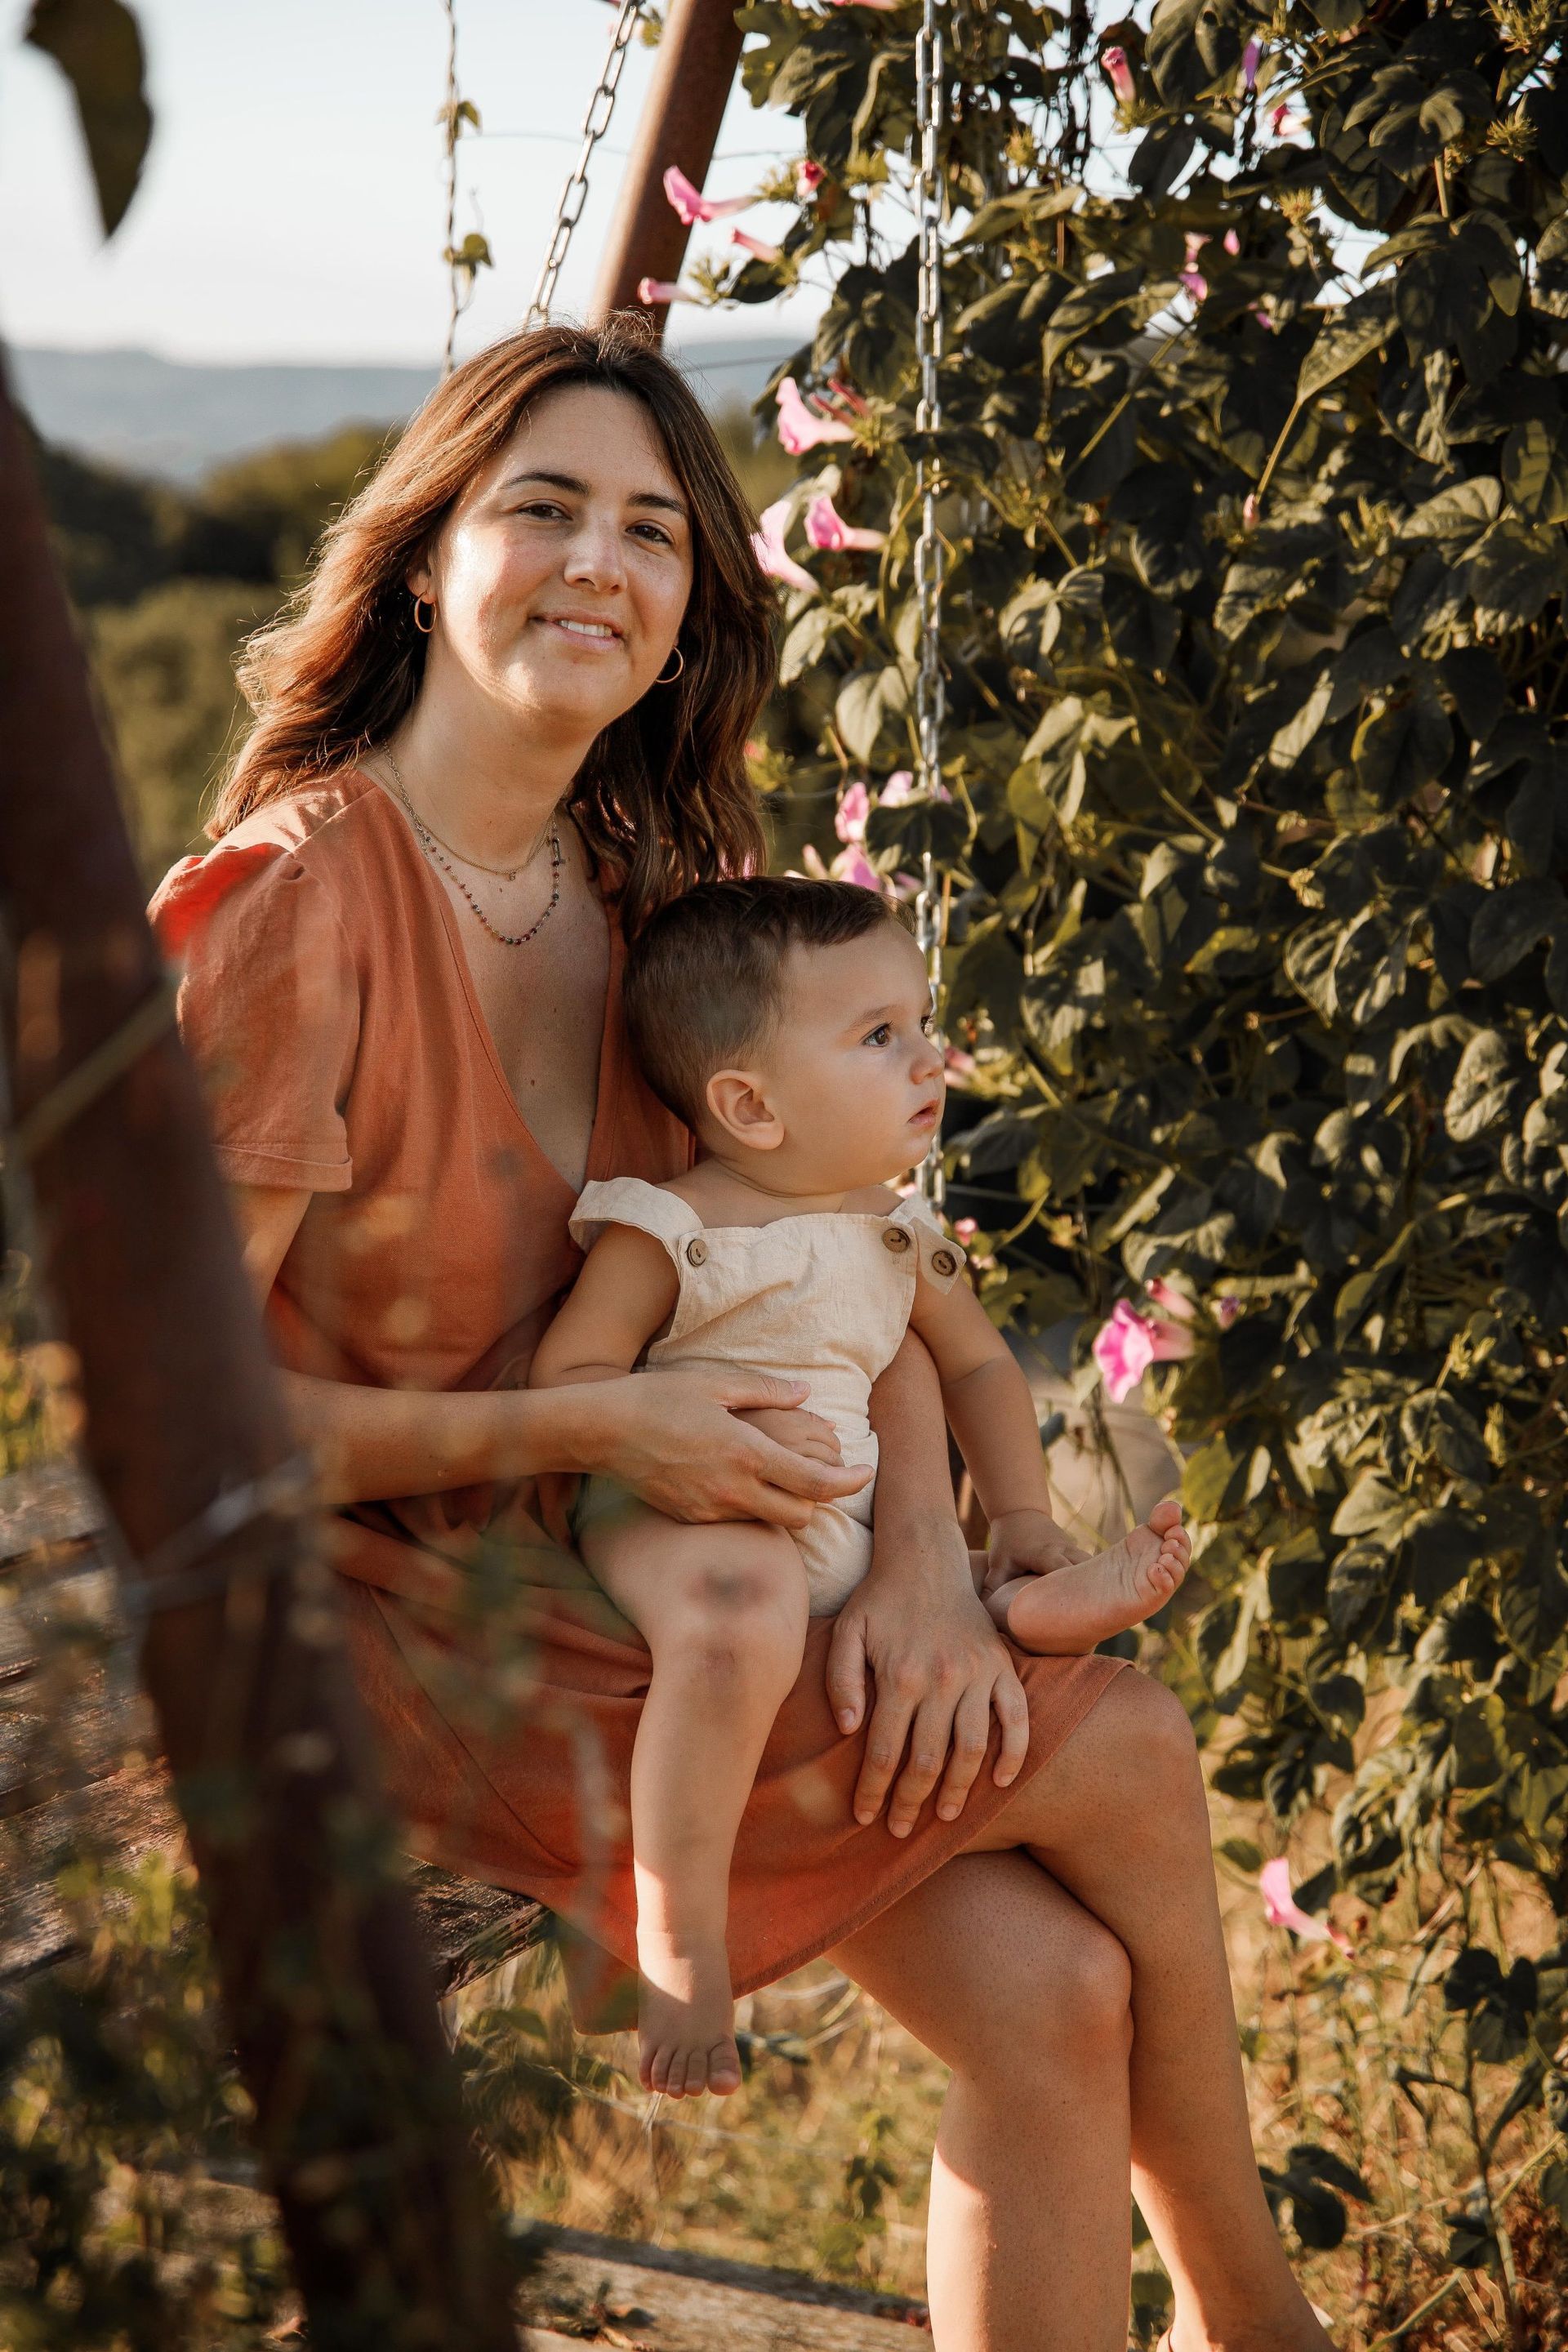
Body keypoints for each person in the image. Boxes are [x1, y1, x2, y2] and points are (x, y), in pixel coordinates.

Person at [151, 319, 1332, 2352]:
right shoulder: (299, 906)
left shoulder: (660, 892)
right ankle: (1259, 2324)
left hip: (676, 1574)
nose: (598, 565)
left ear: (697, 592)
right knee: (1127, 1742)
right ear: (429, 552)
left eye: (650, 530)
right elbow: (181, 1427)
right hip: (410, 1616)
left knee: (1058, 2003)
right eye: (541, 511)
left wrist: (938, 1567)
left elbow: (834, 1255)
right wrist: (618, 1415)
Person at [532, 873, 1191, 2098]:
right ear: (750, 1105)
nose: (929, 1059)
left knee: (981, 1623)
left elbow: (985, 1366)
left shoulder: (899, 1230)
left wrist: (1022, 1512)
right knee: (739, 1609)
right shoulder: (671, 1227)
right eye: (880, 1037)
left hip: (846, 1535)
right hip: (683, 1517)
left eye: (923, 1023)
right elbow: (571, 1379)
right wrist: (646, 1430)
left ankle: (1044, 1588)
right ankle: (678, 1938)